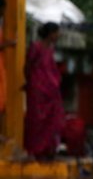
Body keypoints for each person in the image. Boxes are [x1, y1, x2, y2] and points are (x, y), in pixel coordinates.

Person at [24, 22, 65, 159]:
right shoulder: (36, 47)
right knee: (37, 120)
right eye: (56, 32)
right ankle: (35, 150)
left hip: (51, 90)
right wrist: (29, 83)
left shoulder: (51, 49)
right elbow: (28, 66)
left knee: (52, 118)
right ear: (50, 33)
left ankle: (49, 149)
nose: (58, 35)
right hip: (38, 89)